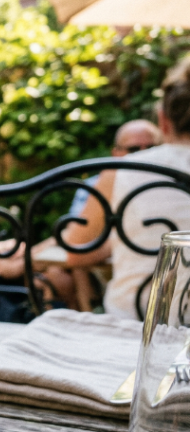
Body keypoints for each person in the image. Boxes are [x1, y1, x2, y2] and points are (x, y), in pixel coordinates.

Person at [67, 57, 190, 319]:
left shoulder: (121, 169)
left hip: (133, 323)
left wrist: (125, 239)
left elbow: (75, 253)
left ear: (163, 121)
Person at [68, 119, 162, 218]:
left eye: (151, 148)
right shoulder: (93, 185)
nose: (144, 155)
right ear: (116, 153)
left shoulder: (169, 183)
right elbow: (76, 226)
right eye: (134, 149)